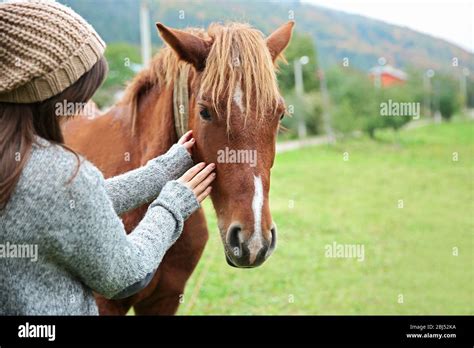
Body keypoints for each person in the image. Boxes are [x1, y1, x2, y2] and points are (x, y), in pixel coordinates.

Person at [0, 0, 215, 315]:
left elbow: (70, 203)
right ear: (50, 94)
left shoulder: (20, 164)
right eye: (79, 94)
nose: (84, 106)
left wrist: (162, 170)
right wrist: (172, 205)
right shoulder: (63, 173)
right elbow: (125, 275)